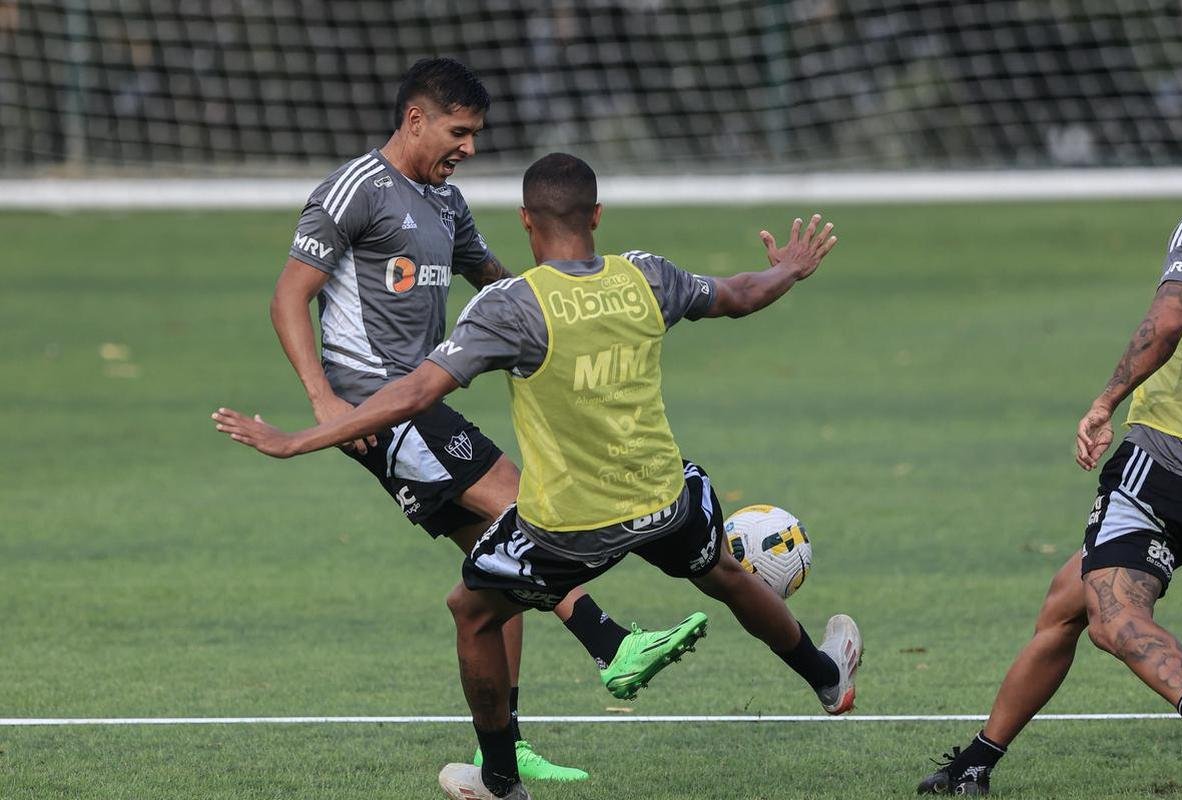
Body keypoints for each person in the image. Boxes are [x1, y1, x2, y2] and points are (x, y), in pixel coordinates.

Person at [214, 152, 863, 800]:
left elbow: (412, 395)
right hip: (664, 496)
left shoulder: (510, 308)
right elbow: (741, 294)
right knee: (720, 569)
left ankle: (500, 778)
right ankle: (825, 675)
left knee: (471, 612)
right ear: (598, 216)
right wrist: (788, 270)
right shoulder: (645, 275)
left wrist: (301, 436)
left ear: (526, 221)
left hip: (570, 526)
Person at [269, 59, 705, 783]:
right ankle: (610, 643)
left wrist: (573, 312)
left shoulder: (445, 202)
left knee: (496, 575)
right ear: (416, 119)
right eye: (459, 131)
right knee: (521, 511)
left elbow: (499, 282)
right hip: (378, 404)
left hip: (424, 401)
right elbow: (289, 298)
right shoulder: (355, 191)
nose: (469, 148)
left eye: (474, 135)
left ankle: (499, 757)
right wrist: (325, 403)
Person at [917, 213, 1182, 795]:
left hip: (1169, 463)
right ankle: (977, 761)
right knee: (1066, 602)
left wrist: (1105, 401)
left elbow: (1171, 317)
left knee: (1113, 614)